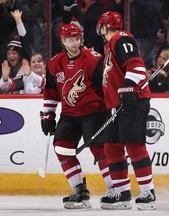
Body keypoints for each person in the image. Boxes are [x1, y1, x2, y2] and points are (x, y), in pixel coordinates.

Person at [39, 23, 112, 209]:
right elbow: (51, 91)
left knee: (99, 148)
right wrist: (48, 115)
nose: (74, 43)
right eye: (70, 40)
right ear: (63, 41)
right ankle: (79, 189)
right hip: (69, 114)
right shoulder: (55, 63)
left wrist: (114, 104)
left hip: (94, 111)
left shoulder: (94, 59)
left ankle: (115, 188)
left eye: (77, 39)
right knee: (61, 147)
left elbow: (106, 85)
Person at [96, 11, 156, 210]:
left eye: (101, 26)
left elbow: (137, 68)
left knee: (134, 144)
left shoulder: (121, 38)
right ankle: (122, 193)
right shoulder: (109, 46)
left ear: (105, 26)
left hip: (133, 100)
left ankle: (148, 192)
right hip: (117, 104)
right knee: (111, 146)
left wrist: (127, 88)